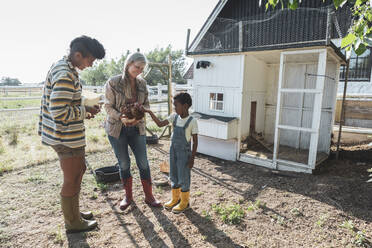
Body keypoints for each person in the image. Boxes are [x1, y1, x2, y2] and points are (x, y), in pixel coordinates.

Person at [38, 35, 105, 233]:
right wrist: (86, 111)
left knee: (79, 170)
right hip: (65, 137)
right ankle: (73, 223)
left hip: (67, 135)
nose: (91, 65)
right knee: (73, 176)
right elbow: (59, 112)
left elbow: (69, 99)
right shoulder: (65, 75)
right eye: (90, 60)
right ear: (78, 55)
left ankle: (74, 212)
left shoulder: (65, 68)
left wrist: (84, 103)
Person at [104, 52, 161, 210]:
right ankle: (128, 197)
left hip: (137, 127)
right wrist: (120, 117)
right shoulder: (113, 82)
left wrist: (142, 110)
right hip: (117, 129)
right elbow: (107, 106)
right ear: (128, 64)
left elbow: (147, 104)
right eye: (137, 67)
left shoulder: (142, 83)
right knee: (123, 163)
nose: (140, 71)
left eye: (142, 68)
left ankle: (149, 196)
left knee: (143, 162)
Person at [143, 92, 198, 213]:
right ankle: (175, 199)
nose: (174, 108)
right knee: (173, 175)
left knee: (183, 177)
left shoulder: (192, 121)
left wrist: (192, 158)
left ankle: (184, 202)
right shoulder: (174, 117)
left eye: (176, 105)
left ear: (185, 106)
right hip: (173, 152)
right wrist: (149, 112)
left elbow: (195, 142)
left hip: (184, 153)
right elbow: (160, 124)